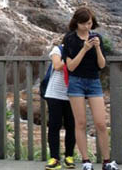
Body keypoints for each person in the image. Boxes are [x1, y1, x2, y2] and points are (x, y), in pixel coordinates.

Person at [63, 7, 118, 170]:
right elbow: (71, 66)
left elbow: (101, 65)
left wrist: (97, 47)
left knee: (101, 123)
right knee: (80, 123)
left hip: (94, 81)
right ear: (76, 23)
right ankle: (86, 161)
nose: (87, 27)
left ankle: (107, 161)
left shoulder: (96, 37)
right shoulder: (69, 39)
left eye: (90, 23)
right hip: (76, 82)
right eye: (83, 24)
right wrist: (85, 48)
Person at [44, 39, 76, 170]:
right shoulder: (59, 49)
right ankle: (54, 158)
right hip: (55, 93)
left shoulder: (80, 51)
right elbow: (57, 66)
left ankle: (69, 157)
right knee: (54, 126)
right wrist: (72, 58)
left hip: (73, 93)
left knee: (71, 126)